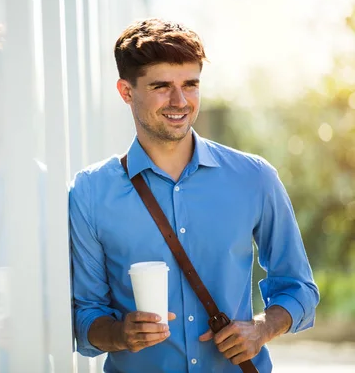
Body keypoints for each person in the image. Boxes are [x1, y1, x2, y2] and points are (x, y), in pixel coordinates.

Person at [69, 18, 320, 373]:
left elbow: (299, 288)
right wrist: (120, 334)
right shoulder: (90, 192)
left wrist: (261, 329)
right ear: (126, 92)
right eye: (161, 86)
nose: (179, 101)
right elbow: (84, 313)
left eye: (190, 84)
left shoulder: (254, 178)